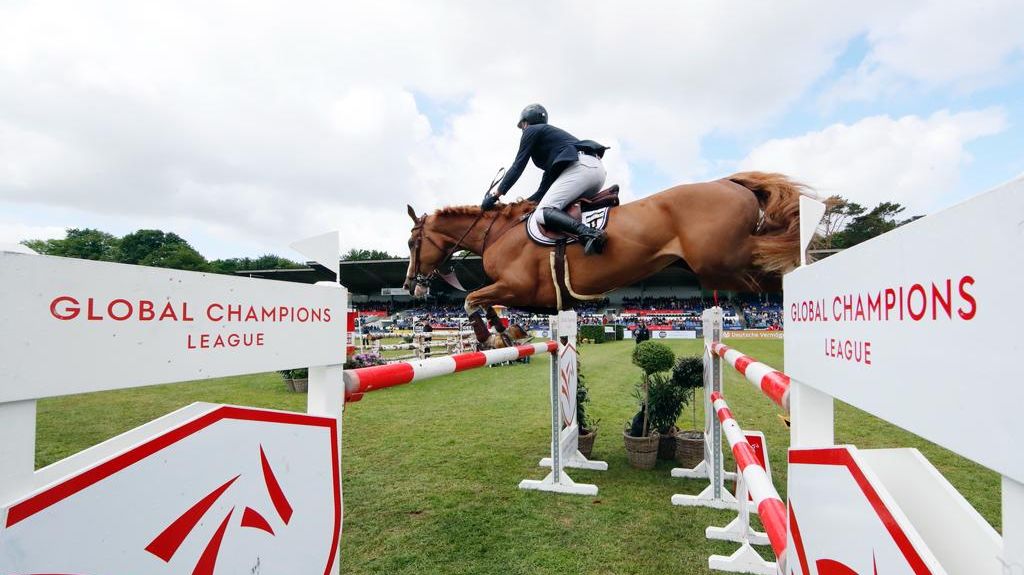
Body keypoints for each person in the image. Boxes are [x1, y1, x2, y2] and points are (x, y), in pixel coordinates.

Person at [481, 104, 609, 255]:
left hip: (582, 169)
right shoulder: (555, 150)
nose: (523, 129)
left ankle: (590, 234)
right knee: (547, 209)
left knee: (543, 212)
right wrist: (516, 208)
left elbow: (518, 165)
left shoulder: (532, 130)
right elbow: (541, 193)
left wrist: (496, 195)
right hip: (596, 172)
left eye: (522, 125)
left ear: (526, 122)